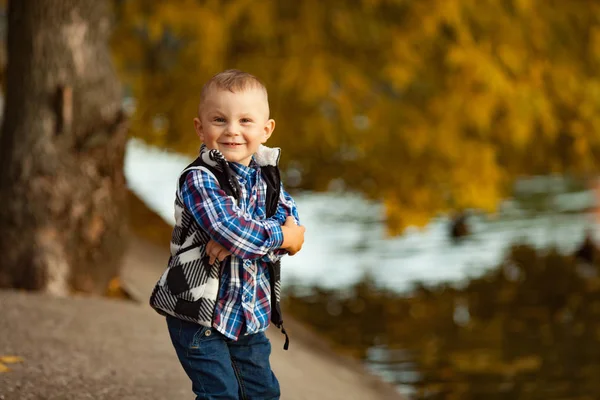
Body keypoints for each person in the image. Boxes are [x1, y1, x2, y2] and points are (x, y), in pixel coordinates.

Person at [149, 69, 305, 400]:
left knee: (262, 393)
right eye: (219, 120)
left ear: (266, 130)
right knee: (220, 394)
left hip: (249, 314)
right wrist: (275, 238)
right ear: (200, 128)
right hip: (198, 315)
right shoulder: (199, 179)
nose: (232, 130)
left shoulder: (268, 179)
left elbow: (290, 220)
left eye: (245, 121)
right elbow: (240, 231)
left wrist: (249, 239)